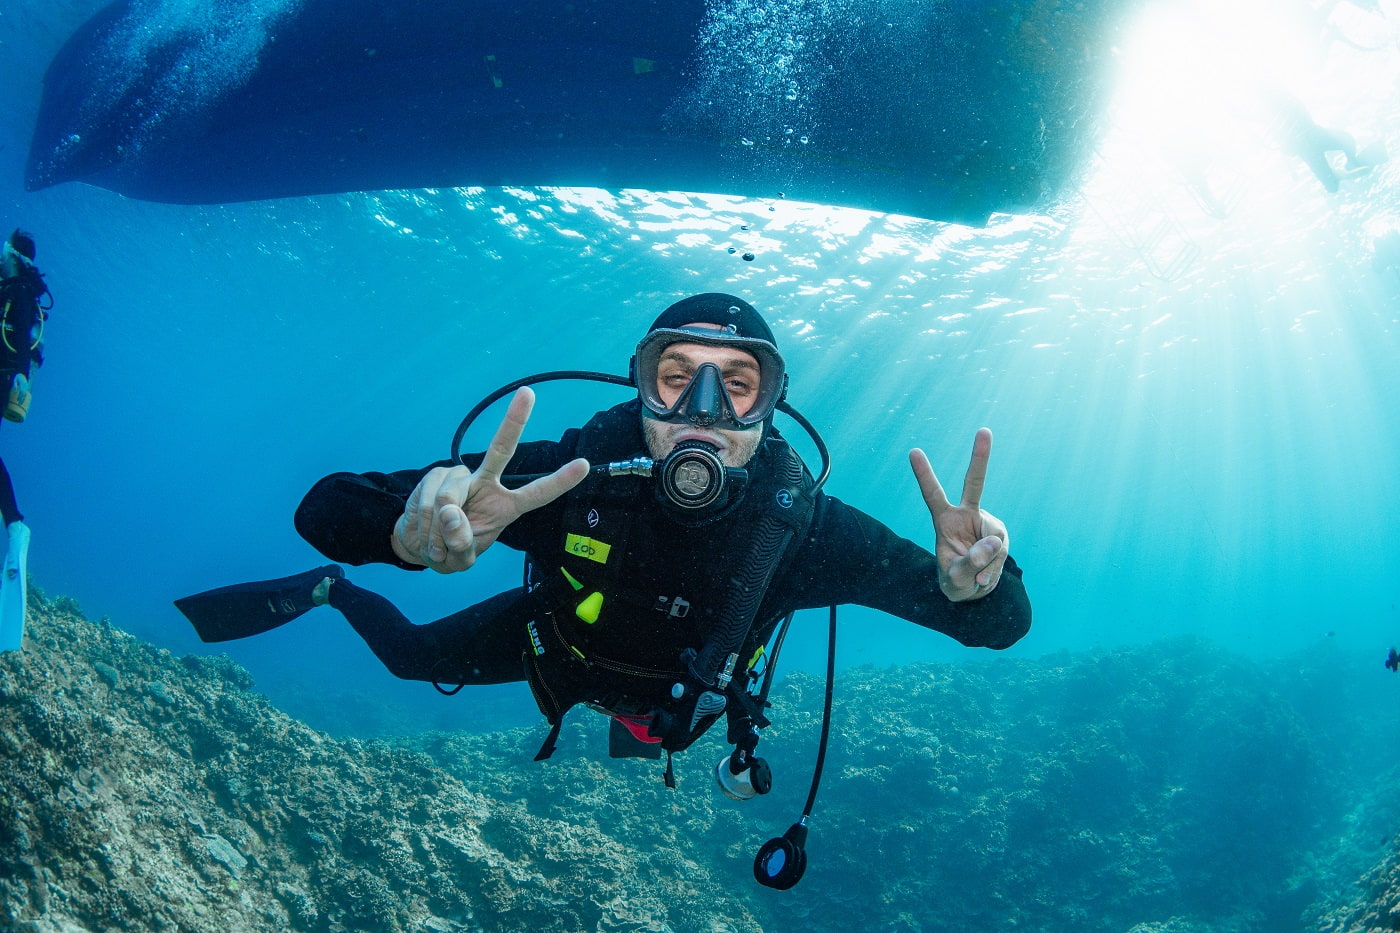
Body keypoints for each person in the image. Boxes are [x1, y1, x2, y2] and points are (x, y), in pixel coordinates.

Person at [177, 293, 1031, 775]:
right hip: (554, 648)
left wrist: (981, 580)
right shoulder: (570, 475)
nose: (703, 412)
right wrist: (401, 533)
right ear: (641, 390)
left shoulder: (801, 528)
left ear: (770, 405)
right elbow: (323, 508)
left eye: (736, 385)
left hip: (682, 688)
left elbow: (996, 626)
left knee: (657, 731)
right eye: (676, 378)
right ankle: (327, 592)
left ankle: (645, 726)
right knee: (409, 656)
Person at [0, 229, 46, 652]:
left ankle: (15, 524)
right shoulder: (22, 288)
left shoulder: (15, 287)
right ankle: (14, 524)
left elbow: (16, 339)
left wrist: (15, 374)